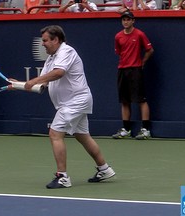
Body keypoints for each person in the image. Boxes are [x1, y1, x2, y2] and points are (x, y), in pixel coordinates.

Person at [21, 25, 115, 189]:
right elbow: (42, 84)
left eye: (45, 40)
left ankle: (62, 177)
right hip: (72, 102)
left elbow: (59, 73)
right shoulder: (51, 58)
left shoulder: (67, 51)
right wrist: (17, 85)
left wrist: (33, 81)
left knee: (55, 134)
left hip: (75, 101)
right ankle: (104, 169)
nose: (42, 44)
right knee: (83, 136)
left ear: (56, 39)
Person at [113, 11, 154, 140]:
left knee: (141, 100)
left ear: (133, 21)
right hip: (122, 70)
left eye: (128, 19)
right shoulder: (118, 36)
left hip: (136, 70)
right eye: (123, 20)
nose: (125, 22)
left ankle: (145, 130)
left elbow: (150, 50)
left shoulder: (140, 34)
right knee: (124, 101)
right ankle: (126, 129)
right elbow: (119, 52)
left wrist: (142, 62)